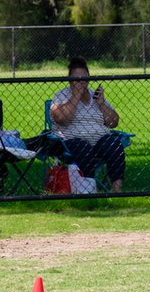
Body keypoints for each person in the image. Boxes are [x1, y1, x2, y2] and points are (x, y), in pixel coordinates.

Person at [49, 57, 126, 191]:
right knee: (83, 148)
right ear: (69, 80)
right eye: (76, 79)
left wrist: (101, 104)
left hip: (99, 141)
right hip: (71, 142)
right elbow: (61, 118)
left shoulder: (95, 96)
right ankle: (89, 190)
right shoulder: (61, 95)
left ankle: (116, 190)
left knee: (114, 144)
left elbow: (114, 122)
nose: (80, 82)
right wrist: (76, 96)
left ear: (89, 79)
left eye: (83, 78)